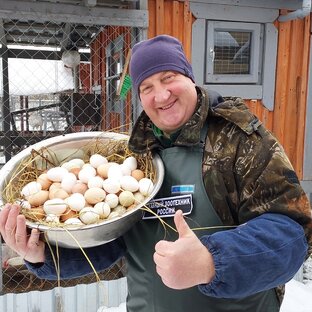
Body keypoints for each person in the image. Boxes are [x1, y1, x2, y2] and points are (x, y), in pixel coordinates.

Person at [1, 34, 312, 312]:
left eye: (169, 77)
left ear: (190, 78)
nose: (161, 95)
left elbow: (292, 234)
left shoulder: (238, 141)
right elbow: (112, 243)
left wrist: (212, 262)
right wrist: (43, 252)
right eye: (147, 87)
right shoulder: (133, 157)